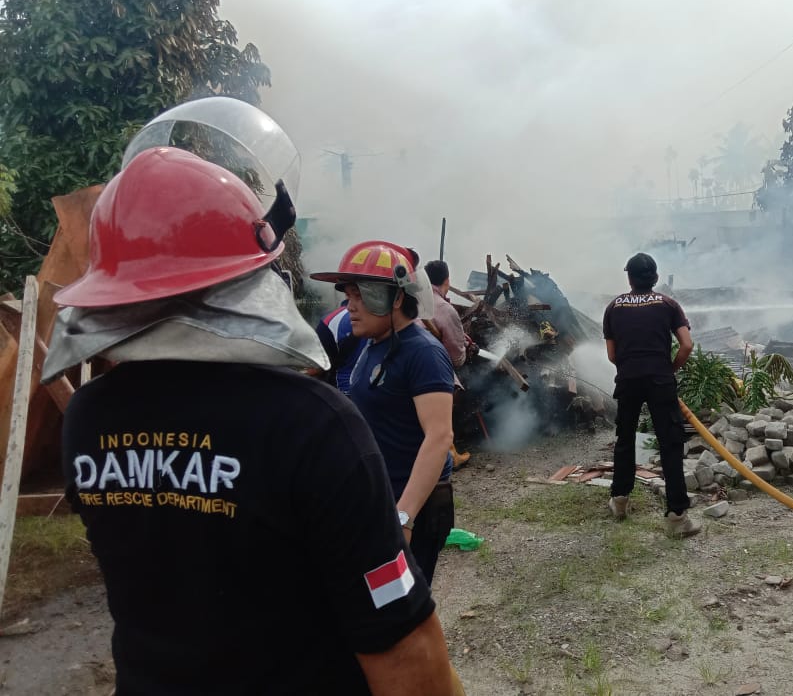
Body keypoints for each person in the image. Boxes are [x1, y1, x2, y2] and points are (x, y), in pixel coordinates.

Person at [44, 147, 457, 695]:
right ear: (253, 279)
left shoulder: (88, 418)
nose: (352, 302)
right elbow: (409, 663)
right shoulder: (310, 425)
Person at [311, 241, 457, 584]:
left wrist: (404, 518)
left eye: (362, 295)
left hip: (411, 509)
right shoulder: (374, 346)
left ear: (396, 297)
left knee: (401, 608)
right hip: (380, 500)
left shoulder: (422, 353)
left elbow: (439, 437)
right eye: (348, 295)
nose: (351, 307)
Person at [603, 252, 697, 537]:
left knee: (625, 439)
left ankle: (619, 501)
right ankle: (676, 517)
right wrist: (668, 369)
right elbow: (687, 345)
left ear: (629, 278)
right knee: (670, 444)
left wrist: (632, 367)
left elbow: (611, 355)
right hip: (660, 380)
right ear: (655, 278)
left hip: (628, 380)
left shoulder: (614, 307)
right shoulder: (669, 304)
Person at [424, 259, 473, 468]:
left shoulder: (412, 301)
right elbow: (456, 358)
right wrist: (466, 351)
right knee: (441, 416)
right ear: (447, 280)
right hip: (432, 369)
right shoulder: (445, 309)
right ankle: (449, 456)